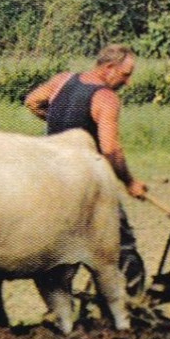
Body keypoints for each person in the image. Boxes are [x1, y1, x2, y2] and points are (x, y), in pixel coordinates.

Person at [24, 45, 147, 296]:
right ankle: (134, 305)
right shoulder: (106, 98)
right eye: (125, 74)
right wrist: (130, 182)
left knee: (59, 244)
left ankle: (59, 304)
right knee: (121, 243)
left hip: (49, 180)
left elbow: (32, 101)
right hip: (84, 182)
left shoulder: (62, 80)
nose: (128, 81)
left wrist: (55, 123)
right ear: (109, 68)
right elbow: (111, 149)